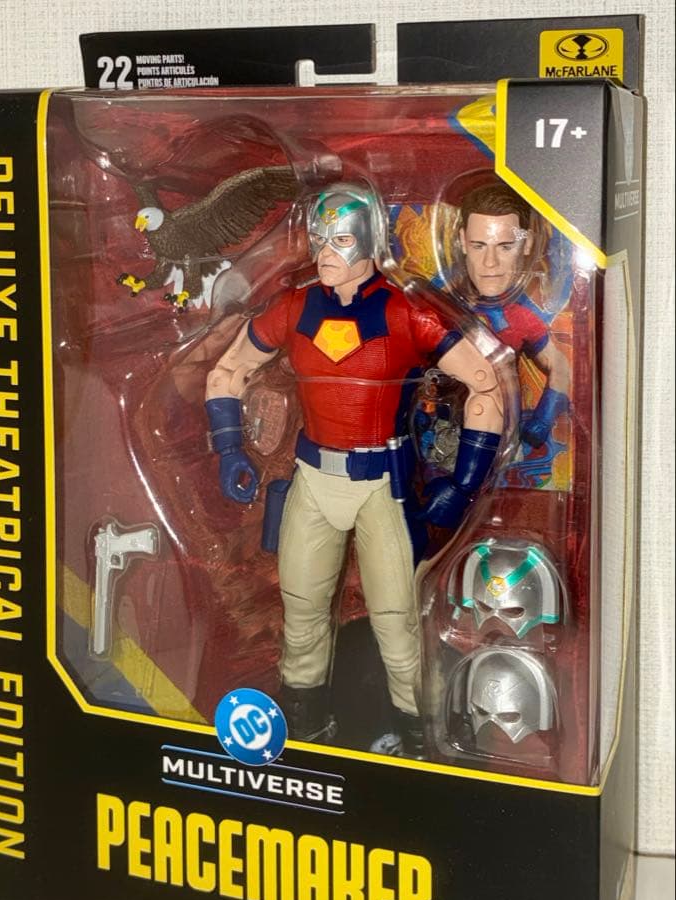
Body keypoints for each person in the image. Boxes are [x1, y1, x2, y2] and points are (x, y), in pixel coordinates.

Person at [205, 183, 503, 756]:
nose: (325, 251)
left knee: (397, 625)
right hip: (314, 478)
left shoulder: (406, 312)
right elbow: (228, 370)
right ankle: (302, 733)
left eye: (340, 239)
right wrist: (229, 448)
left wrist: (465, 482)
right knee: (301, 616)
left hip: (383, 485)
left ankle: (421, 740)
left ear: (368, 241)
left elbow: (485, 383)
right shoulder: (293, 306)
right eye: (319, 238)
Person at [458, 182, 569, 448]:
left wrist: (542, 421)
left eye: (505, 247)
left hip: (496, 429)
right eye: (478, 245)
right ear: (462, 241)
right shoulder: (440, 303)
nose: (490, 262)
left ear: (527, 243)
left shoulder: (519, 317)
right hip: (440, 424)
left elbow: (561, 366)